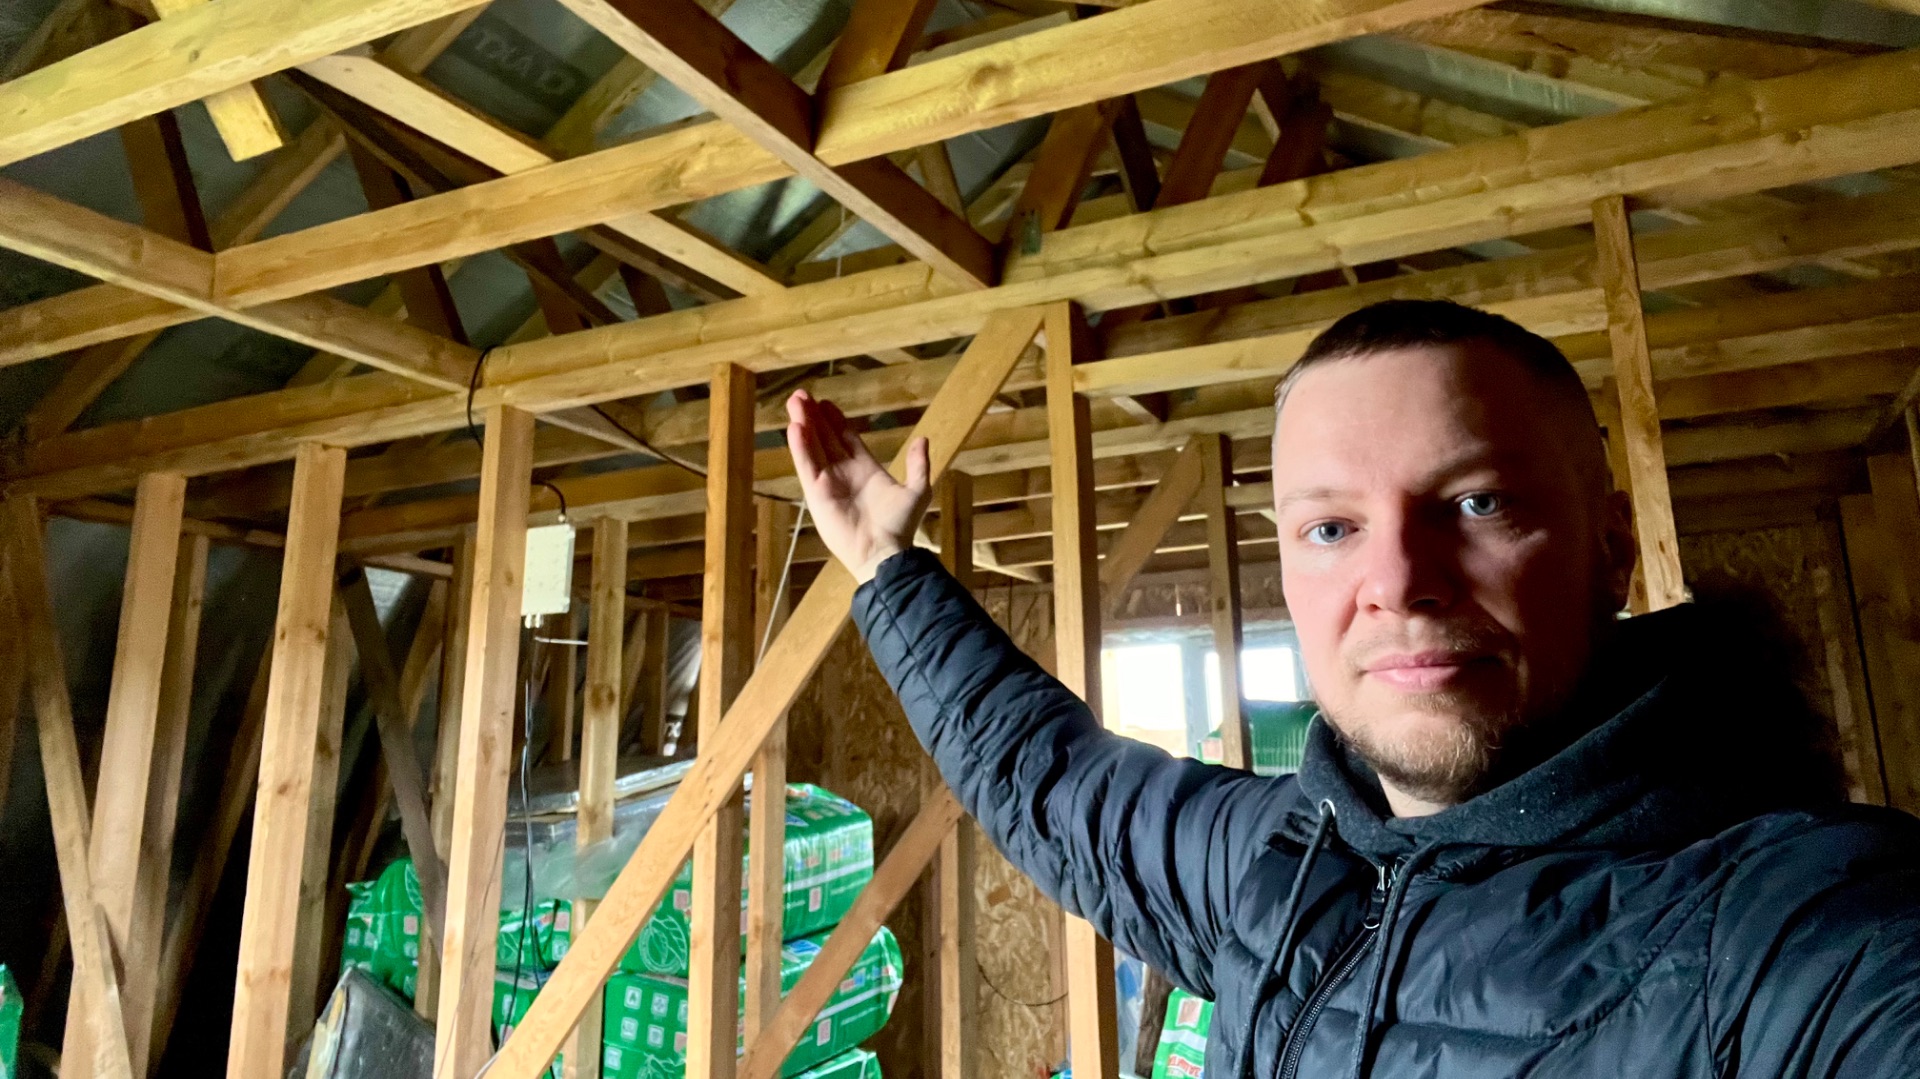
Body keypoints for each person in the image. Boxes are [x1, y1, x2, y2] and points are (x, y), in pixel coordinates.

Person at [782, 299, 1920, 1078]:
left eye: (1476, 503)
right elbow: (1051, 779)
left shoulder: (1799, 937)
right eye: (1331, 527)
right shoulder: (1282, 868)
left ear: (1613, 547)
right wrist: (886, 566)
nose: (1399, 581)